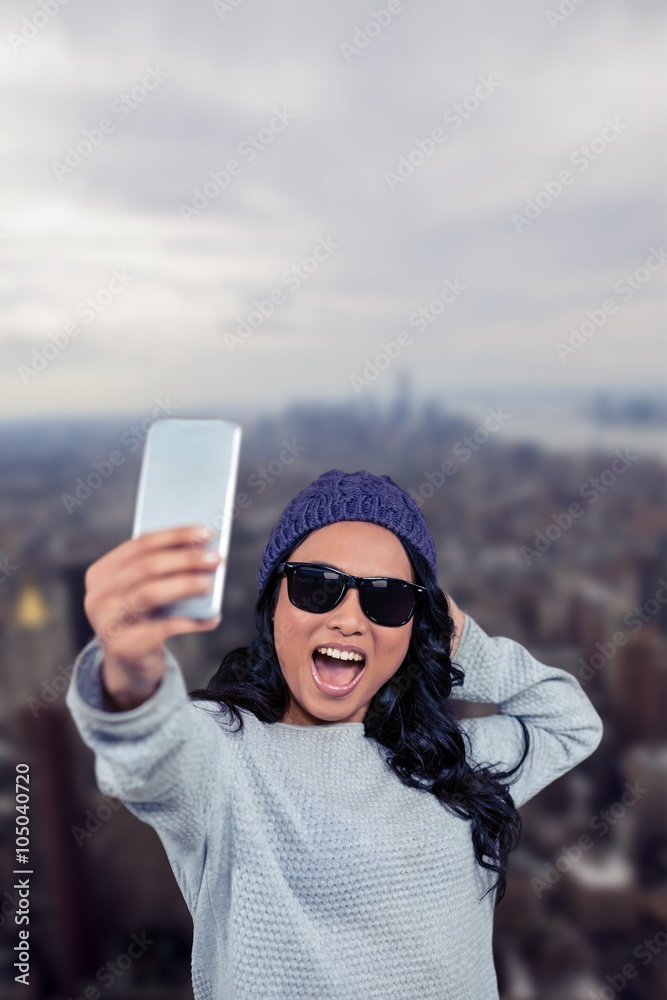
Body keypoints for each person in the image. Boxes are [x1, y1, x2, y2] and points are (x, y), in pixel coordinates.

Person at [66, 468, 603, 1000]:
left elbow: (571, 723)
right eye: (316, 587)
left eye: (388, 600)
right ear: (273, 602)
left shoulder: (450, 761)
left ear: (416, 625)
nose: (350, 620)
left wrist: (465, 644)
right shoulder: (226, 756)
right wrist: (131, 675)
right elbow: (151, 754)